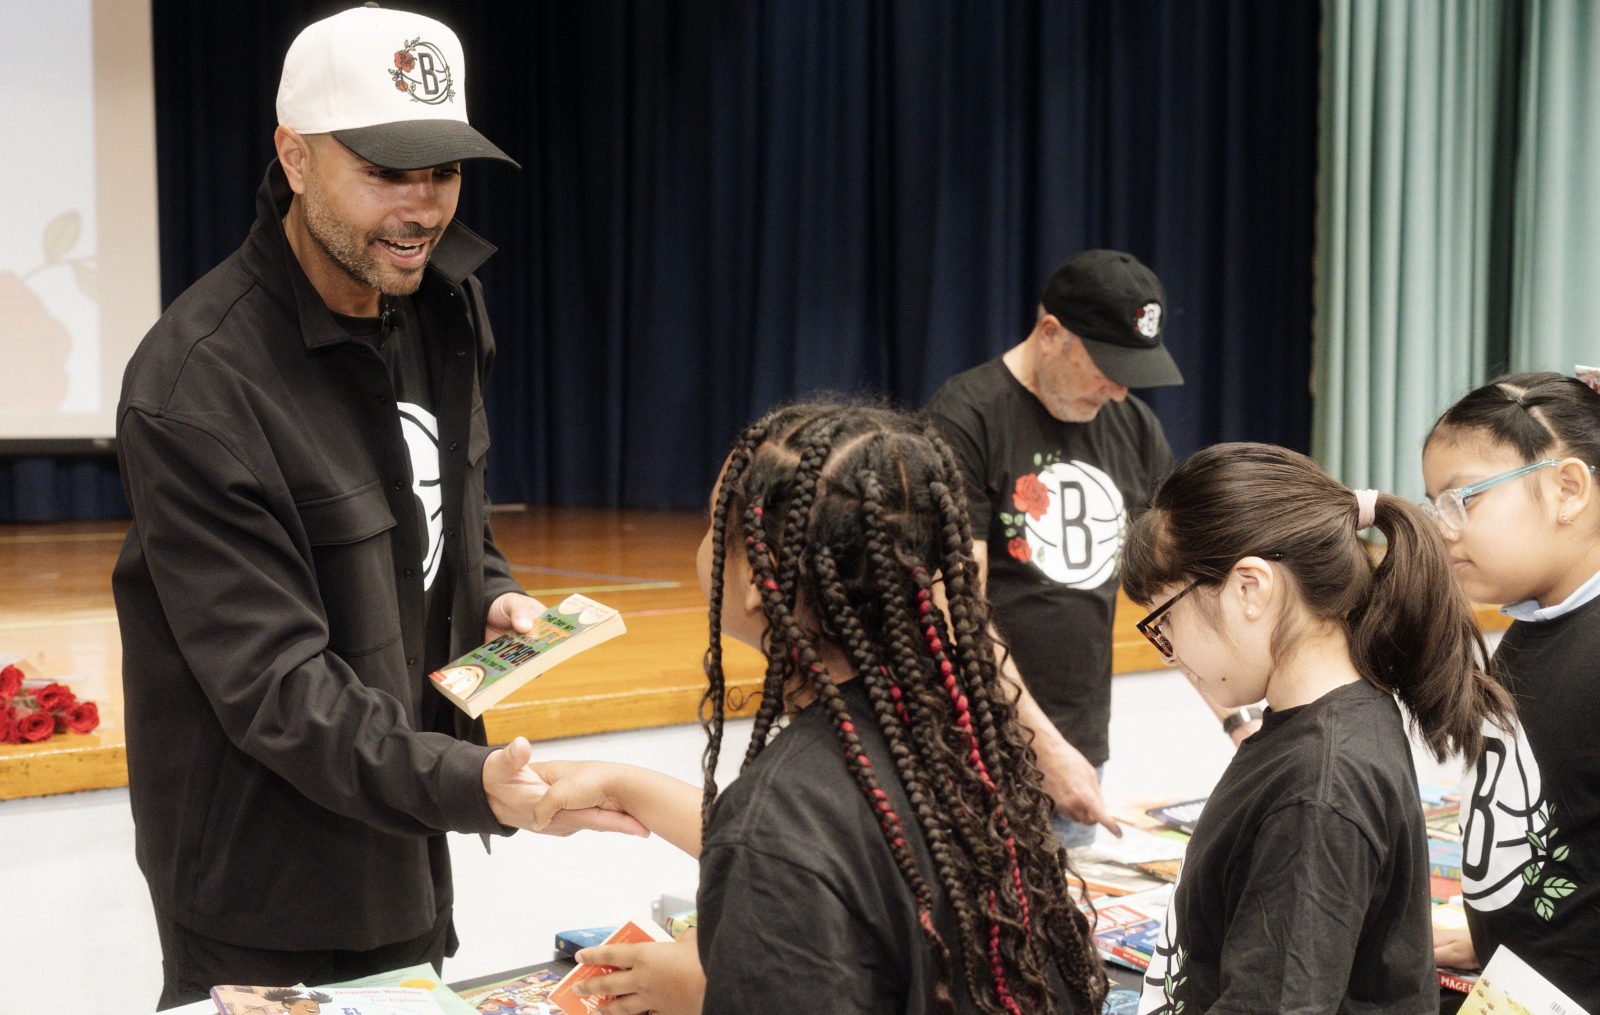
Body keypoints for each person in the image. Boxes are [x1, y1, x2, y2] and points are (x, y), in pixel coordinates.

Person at [113, 7, 640, 1007]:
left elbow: (450, 499)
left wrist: (489, 589)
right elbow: (274, 686)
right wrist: (467, 781)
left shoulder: (441, 304)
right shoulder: (195, 384)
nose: (423, 207)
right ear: (294, 156)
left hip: (404, 826)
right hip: (264, 878)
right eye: (388, 172)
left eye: (441, 171)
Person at [527, 401, 1110, 1014]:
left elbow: (796, 846)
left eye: (711, 523)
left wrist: (707, 992)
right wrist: (627, 786)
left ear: (759, 577)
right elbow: (853, 845)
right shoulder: (954, 739)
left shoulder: (783, 815)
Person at [1120, 442, 1514, 1013]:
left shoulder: (1320, 785)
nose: (1169, 652)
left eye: (1165, 621)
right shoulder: (1322, 728)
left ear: (1250, 588)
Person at [926, 250, 1229, 847]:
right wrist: (1042, 745)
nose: (1118, 391)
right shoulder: (964, 419)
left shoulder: (1135, 429)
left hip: (1078, 747)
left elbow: (1175, 592)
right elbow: (956, 608)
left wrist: (1237, 716)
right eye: (1106, 366)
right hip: (977, 747)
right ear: (1050, 334)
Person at [1423, 372, 1600, 1009]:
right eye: (1432, 505)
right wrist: (1502, 929)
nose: (1442, 528)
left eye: (1461, 499)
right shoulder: (1535, 626)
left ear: (1568, 489)